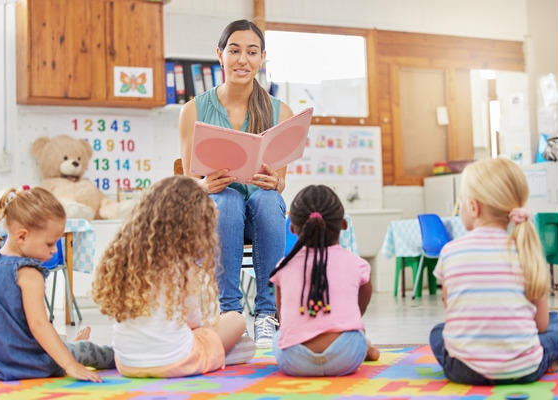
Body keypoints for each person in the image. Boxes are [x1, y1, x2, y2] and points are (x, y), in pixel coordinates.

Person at [178, 19, 294, 348]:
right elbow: (188, 185)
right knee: (227, 200)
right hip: (215, 214)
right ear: (220, 55)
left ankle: (267, 314)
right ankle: (231, 314)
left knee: (267, 200)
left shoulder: (279, 111)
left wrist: (275, 182)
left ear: (262, 59)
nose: (243, 59)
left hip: (262, 216)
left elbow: (280, 182)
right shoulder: (193, 110)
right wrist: (204, 186)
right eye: (235, 50)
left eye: (252, 52)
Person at [92, 176, 255, 378]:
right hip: (175, 361)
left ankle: (218, 353)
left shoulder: (126, 256)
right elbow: (193, 320)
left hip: (127, 363)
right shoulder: (179, 263)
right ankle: (221, 355)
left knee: (202, 331)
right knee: (236, 320)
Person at [429, 158, 558, 385]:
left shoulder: (450, 251)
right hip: (524, 368)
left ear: (473, 207)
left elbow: (452, 311)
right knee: (557, 323)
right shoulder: (527, 250)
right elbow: (541, 325)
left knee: (438, 332)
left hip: (462, 370)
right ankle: (552, 360)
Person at [0, 186, 114, 381]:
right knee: (90, 350)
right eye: (50, 243)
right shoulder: (28, 273)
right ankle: (125, 357)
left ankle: (69, 345)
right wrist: (70, 365)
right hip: (27, 364)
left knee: (58, 338)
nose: (54, 251)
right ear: (22, 236)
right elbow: (39, 325)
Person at [268, 185, 380, 377]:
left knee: (279, 336)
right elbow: (358, 311)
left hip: (294, 361)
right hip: (346, 356)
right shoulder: (357, 264)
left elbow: (284, 319)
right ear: (344, 225)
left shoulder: (283, 266)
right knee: (356, 333)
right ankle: (366, 347)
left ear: (293, 228)